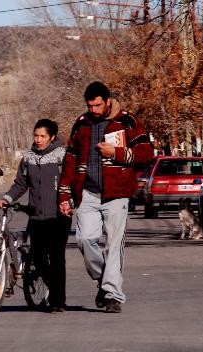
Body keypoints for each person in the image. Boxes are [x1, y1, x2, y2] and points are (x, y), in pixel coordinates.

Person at [58, 81, 153, 313]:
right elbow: (70, 159)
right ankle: (103, 281)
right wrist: (64, 193)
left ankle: (113, 296)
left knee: (113, 244)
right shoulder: (82, 124)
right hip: (87, 194)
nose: (93, 110)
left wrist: (117, 153)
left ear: (108, 101)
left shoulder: (127, 121)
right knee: (84, 240)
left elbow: (146, 154)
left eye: (98, 105)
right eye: (90, 106)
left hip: (117, 194)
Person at [0, 119, 71, 313]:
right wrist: (6, 198)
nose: (38, 140)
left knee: (56, 257)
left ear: (52, 137)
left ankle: (58, 301)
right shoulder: (28, 158)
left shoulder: (63, 156)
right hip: (36, 216)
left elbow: (73, 182)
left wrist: (70, 203)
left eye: (42, 136)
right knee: (36, 256)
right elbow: (21, 184)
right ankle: (52, 288)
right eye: (36, 136)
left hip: (59, 215)